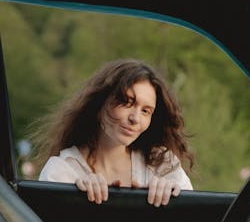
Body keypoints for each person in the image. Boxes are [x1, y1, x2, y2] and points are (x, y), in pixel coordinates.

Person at [29, 59, 194, 207]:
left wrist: (174, 201)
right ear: (100, 104)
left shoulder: (162, 165)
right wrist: (78, 200)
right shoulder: (62, 171)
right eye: (126, 103)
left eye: (146, 111)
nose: (135, 118)